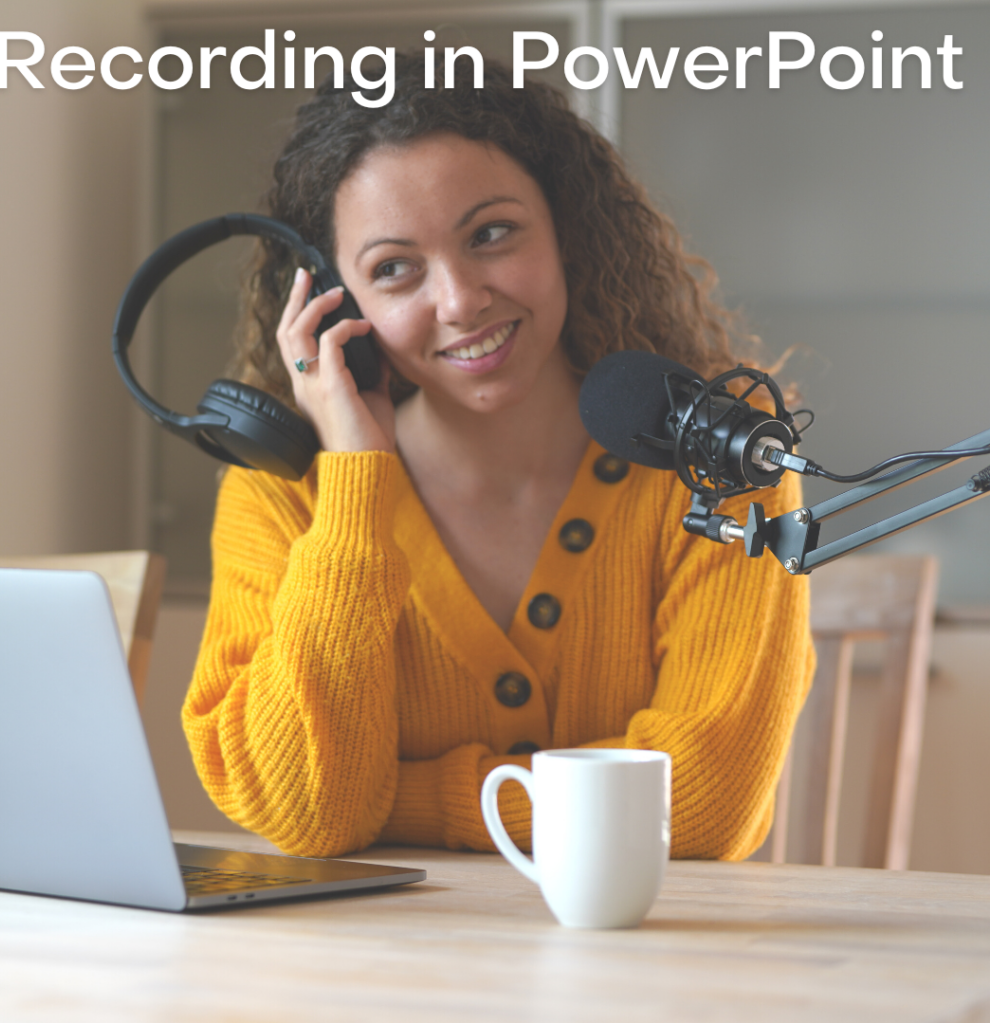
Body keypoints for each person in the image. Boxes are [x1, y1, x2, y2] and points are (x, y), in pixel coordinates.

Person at [182, 53, 815, 861]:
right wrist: (353, 492)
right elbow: (305, 809)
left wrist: (396, 797)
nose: (458, 300)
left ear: (565, 229)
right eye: (393, 269)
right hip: (384, 980)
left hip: (652, 975)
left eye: (491, 234)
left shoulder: (726, 455)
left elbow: (698, 808)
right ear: (334, 305)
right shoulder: (287, 497)